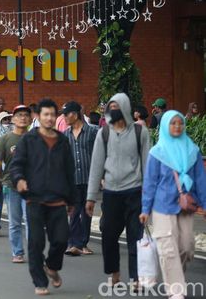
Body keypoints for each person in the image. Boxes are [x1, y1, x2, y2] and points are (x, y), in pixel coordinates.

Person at [9, 98, 77, 296]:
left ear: (57, 117)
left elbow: (69, 171)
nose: (49, 118)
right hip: (35, 200)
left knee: (61, 240)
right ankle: (40, 281)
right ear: (38, 117)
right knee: (36, 243)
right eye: (45, 115)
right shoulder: (29, 140)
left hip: (58, 200)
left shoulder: (63, 141)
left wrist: (72, 199)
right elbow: (17, 166)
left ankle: (52, 266)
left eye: (52, 115)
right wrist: (19, 180)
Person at [86, 93, 151, 289]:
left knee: (135, 236)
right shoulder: (103, 134)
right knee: (108, 234)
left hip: (135, 191)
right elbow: (96, 165)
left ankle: (136, 277)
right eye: (110, 108)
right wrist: (90, 197)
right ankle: (114, 271)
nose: (112, 111)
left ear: (125, 108)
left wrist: (148, 197)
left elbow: (147, 164)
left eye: (116, 107)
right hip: (111, 192)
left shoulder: (140, 132)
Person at [140, 111, 206, 299]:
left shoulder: (192, 150)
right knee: (168, 247)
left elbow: (201, 180)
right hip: (162, 205)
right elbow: (150, 182)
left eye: (180, 123)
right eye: (173, 123)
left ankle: (175, 275)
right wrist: (145, 209)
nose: (177, 126)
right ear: (165, 126)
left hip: (185, 206)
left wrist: (205, 204)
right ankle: (176, 291)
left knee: (187, 246)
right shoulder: (157, 153)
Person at [0, 104, 32, 263]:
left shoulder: (34, 138)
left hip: (31, 187)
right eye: (19, 115)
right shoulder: (5, 139)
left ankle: (33, 252)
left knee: (31, 221)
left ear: (30, 119)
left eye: (26, 115)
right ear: (13, 119)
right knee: (15, 222)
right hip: (10, 185)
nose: (23, 117)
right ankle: (18, 252)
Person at [62, 101, 97, 257]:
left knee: (87, 212)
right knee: (74, 211)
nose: (63, 118)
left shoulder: (93, 132)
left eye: (66, 114)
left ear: (75, 115)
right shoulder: (65, 135)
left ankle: (83, 243)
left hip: (90, 178)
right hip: (72, 179)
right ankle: (72, 243)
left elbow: (99, 156)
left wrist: (101, 176)